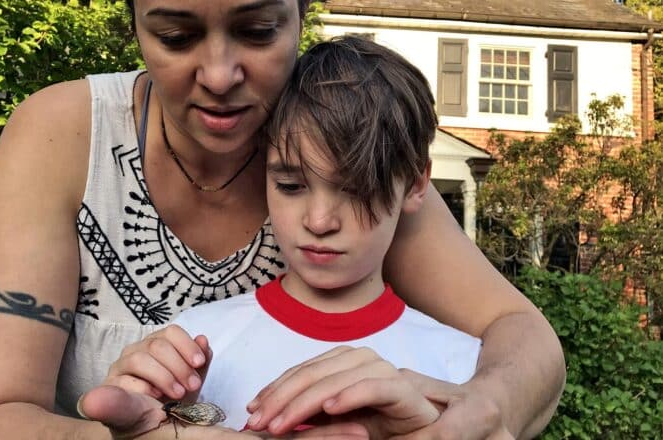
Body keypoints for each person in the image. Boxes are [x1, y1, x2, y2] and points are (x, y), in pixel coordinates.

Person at [0, 0, 565, 439]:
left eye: (259, 29)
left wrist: (479, 410)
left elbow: (522, 338)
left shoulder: (344, 136)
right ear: (133, 24)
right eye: (176, 35)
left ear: (299, 17)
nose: (219, 76)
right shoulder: (62, 138)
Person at [81, 35, 485, 437]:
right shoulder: (190, 346)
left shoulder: (464, 369)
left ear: (415, 185)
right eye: (291, 185)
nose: (320, 220)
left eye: (357, 189)